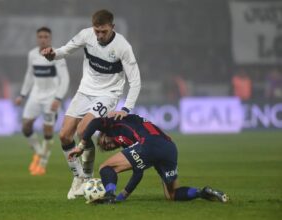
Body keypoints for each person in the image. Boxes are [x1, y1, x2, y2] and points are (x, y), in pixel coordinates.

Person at [41, 9, 141, 199]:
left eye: (104, 31)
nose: (100, 35)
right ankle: (78, 177)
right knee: (64, 135)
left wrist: (126, 108)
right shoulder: (86, 35)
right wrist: (52, 54)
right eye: (97, 31)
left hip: (108, 94)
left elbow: (135, 81)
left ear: (112, 27)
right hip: (85, 91)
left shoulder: (122, 47)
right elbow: (64, 50)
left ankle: (87, 178)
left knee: (83, 130)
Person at [69, 114, 229, 204]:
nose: (109, 146)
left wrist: (81, 146)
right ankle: (202, 192)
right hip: (169, 148)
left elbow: (95, 122)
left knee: (105, 167)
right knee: (171, 195)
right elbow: (138, 172)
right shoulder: (131, 144)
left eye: (105, 142)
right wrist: (124, 195)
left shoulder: (114, 124)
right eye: (108, 148)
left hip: (150, 144)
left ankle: (109, 195)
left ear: (104, 134)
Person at [15, 27, 70, 176]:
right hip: (35, 95)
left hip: (51, 96)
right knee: (26, 126)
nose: (43, 39)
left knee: (48, 130)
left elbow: (64, 78)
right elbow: (29, 75)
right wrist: (22, 94)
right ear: (37, 38)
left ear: (50, 38)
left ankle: (43, 163)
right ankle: (39, 153)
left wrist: (58, 98)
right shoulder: (32, 54)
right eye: (40, 36)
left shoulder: (56, 55)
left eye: (46, 36)